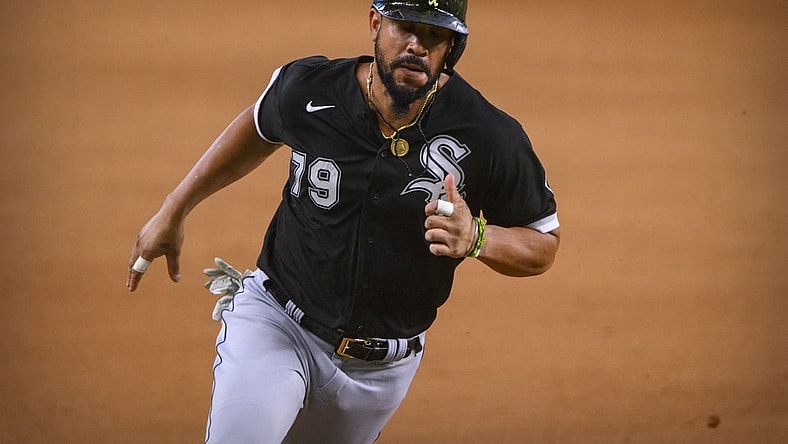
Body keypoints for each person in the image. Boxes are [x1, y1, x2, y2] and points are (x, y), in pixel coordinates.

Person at [126, 0, 560, 442]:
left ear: (453, 46)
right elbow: (258, 127)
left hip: (380, 373)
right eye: (405, 28)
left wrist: (477, 237)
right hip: (278, 324)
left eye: (434, 35)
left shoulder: (487, 134)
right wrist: (174, 207)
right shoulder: (312, 89)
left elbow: (542, 243)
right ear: (375, 24)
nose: (417, 45)